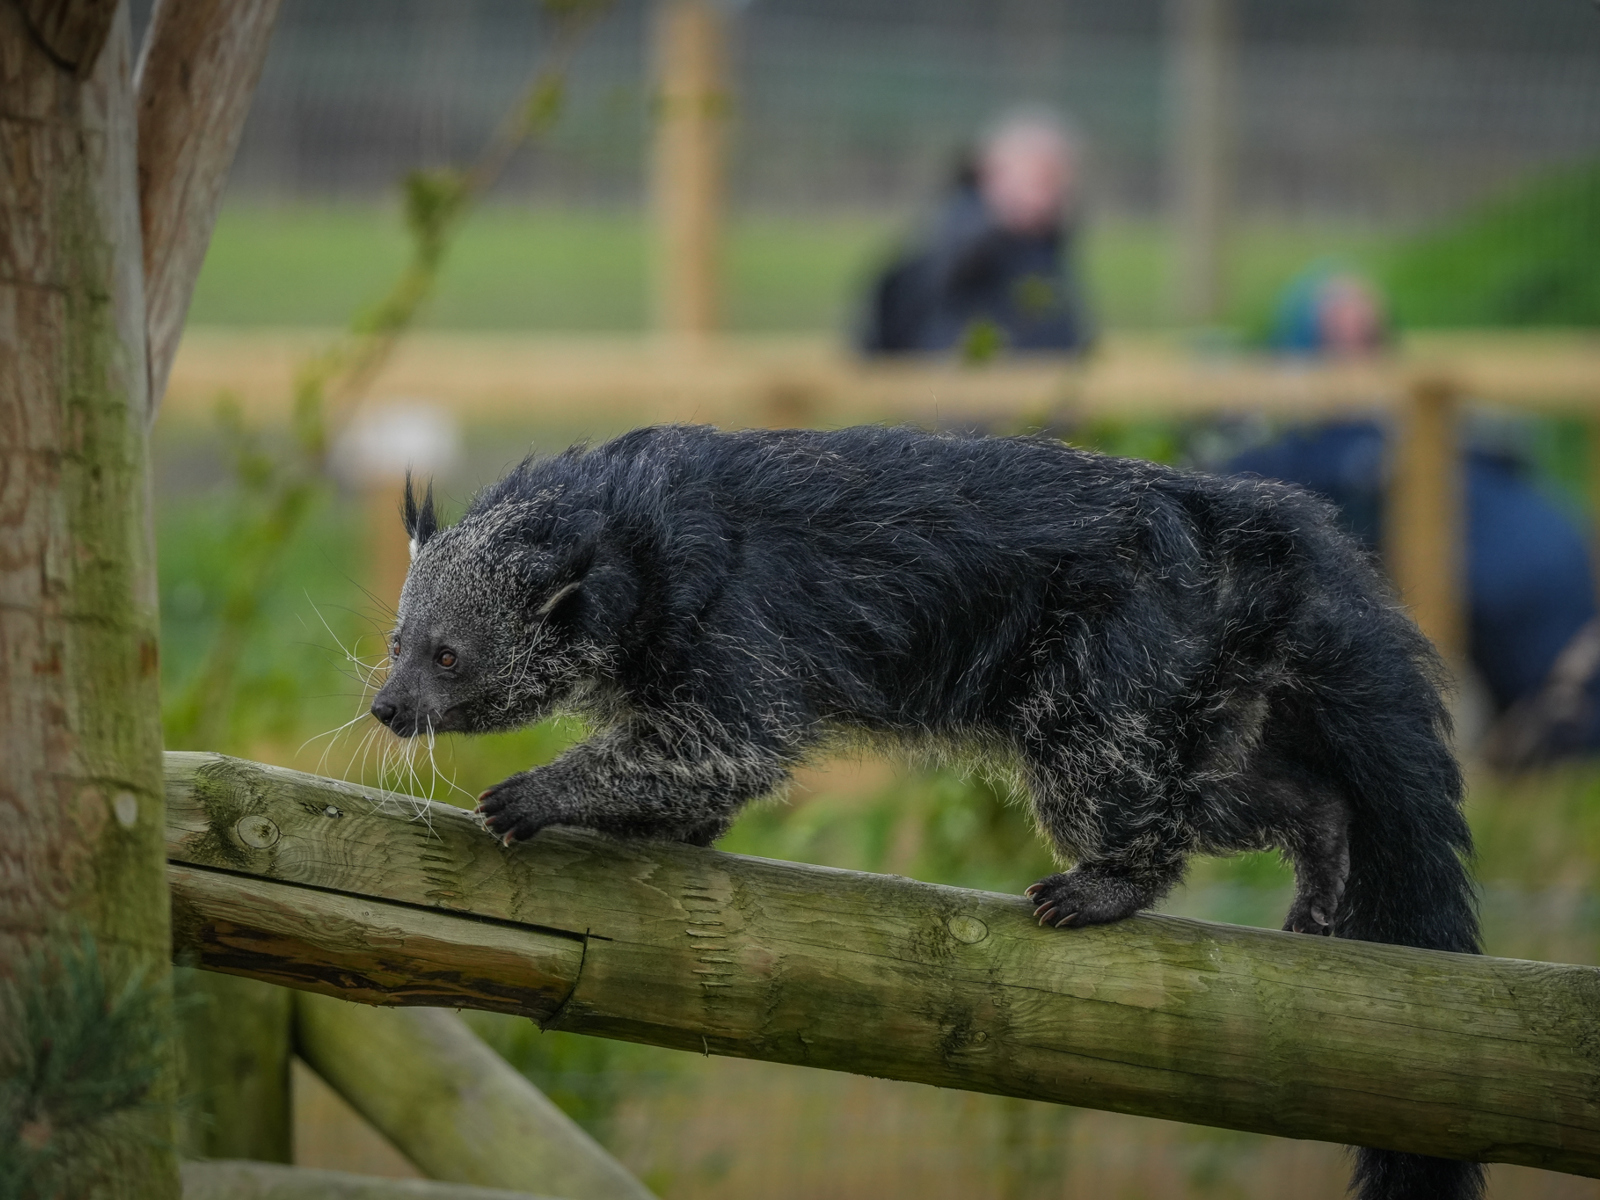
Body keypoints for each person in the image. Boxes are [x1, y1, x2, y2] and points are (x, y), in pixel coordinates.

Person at [1228, 268, 1600, 766]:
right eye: (1338, 339)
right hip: (1551, 659)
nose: (1355, 355)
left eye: (1368, 337)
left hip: (1559, 651)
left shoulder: (1406, 431)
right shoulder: (1343, 448)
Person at [859, 111, 1093, 357]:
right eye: (1041, 179)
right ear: (990, 172)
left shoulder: (1044, 246)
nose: (1052, 196)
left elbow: (1064, 330)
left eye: (1059, 181)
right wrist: (1002, 222)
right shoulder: (950, 236)